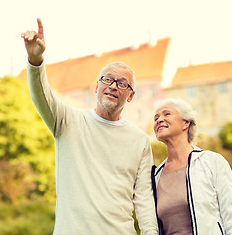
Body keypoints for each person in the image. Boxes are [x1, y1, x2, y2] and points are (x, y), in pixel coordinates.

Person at [21, 18, 158, 235]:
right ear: (96, 87)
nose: (113, 86)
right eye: (107, 80)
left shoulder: (139, 140)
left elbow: (144, 198)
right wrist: (35, 60)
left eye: (122, 83)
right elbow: (42, 96)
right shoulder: (67, 121)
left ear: (131, 96)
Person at [151, 98, 232, 235]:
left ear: (186, 122)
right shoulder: (156, 177)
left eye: (166, 114)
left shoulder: (212, 162)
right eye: (156, 117)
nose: (159, 120)